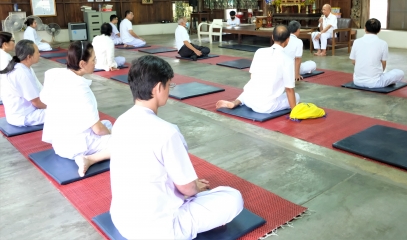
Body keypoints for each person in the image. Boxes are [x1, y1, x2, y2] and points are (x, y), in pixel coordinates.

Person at [110, 55, 243, 239]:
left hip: (122, 221)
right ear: (158, 88)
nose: (169, 90)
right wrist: (193, 186)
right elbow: (187, 189)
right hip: (160, 230)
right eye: (169, 85)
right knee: (233, 197)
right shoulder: (167, 132)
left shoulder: (121, 122)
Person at [40, 41, 112, 177]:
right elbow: (97, 129)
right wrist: (112, 136)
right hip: (76, 146)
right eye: (93, 59)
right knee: (127, 143)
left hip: (59, 144)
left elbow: (44, 100)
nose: (95, 62)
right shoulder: (80, 89)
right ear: (82, 64)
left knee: (107, 124)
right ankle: (89, 159)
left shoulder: (55, 74)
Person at [216, 25, 299, 113]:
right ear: (288, 39)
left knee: (249, 90)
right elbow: (289, 89)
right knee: (296, 96)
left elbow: (252, 76)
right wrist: (294, 111)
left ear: (272, 37)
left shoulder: (259, 51)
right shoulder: (288, 60)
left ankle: (236, 102)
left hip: (249, 99)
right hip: (265, 107)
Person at [0, 39, 46, 126]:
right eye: (37, 52)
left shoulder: (18, 67)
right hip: (24, 116)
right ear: (29, 57)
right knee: (63, 111)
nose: (39, 54)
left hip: (18, 113)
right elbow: (36, 102)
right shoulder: (22, 73)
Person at [349, 18, 404, 88]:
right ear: (379, 30)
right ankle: (388, 82)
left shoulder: (356, 42)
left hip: (357, 81)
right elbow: (383, 65)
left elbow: (353, 62)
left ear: (365, 28)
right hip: (375, 83)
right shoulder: (383, 43)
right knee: (400, 73)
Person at [0, 32, 16, 104]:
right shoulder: (4, 57)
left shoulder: (4, 54)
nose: (14, 43)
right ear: (5, 44)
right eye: (13, 41)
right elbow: (7, 78)